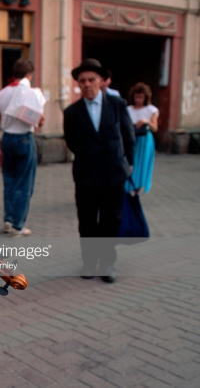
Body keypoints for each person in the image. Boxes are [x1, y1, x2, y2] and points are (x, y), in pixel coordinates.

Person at [63, 58, 135, 283]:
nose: (87, 84)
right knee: (86, 222)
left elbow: (128, 137)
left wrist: (128, 164)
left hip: (113, 174)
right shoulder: (72, 112)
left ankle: (107, 263)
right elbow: (72, 143)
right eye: (82, 80)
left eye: (91, 80)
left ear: (101, 81)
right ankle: (89, 262)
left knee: (110, 221)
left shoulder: (117, 104)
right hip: (86, 176)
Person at [0, 59, 46, 237]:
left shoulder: (1, 94)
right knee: (24, 183)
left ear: (13, 74)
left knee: (9, 180)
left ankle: (8, 220)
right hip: (24, 138)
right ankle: (18, 225)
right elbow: (40, 120)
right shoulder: (31, 93)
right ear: (29, 75)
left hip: (6, 138)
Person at [126, 82, 159, 194]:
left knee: (142, 163)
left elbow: (155, 128)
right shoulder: (128, 109)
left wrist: (146, 121)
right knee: (130, 162)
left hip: (145, 139)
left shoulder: (151, 110)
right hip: (132, 137)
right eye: (136, 97)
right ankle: (128, 185)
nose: (138, 99)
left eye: (141, 97)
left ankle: (138, 187)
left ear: (145, 97)